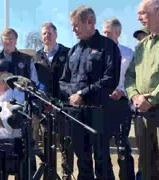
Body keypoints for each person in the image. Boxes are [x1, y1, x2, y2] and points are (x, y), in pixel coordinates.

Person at [60, 6, 121, 179]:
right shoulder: (73, 50)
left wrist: (83, 93)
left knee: (102, 158)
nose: (73, 29)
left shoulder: (107, 46)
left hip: (99, 112)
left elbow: (110, 78)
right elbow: (63, 81)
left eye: (76, 25)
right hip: (77, 114)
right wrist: (74, 95)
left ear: (90, 22)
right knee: (82, 158)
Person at [125, 0, 159, 179]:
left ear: (158, 11)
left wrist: (152, 98)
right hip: (142, 114)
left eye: (143, 13)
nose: (138, 18)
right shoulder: (142, 46)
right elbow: (130, 76)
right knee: (146, 167)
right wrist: (134, 96)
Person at [34, 22, 73, 179]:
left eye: (50, 33)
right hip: (45, 109)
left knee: (66, 145)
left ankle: (66, 176)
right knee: (48, 145)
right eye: (44, 33)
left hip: (64, 107)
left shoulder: (67, 53)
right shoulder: (37, 57)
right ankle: (49, 176)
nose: (47, 36)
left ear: (56, 34)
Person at [102, 18, 135, 180]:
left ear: (118, 33)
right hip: (102, 106)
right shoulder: (98, 54)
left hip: (122, 104)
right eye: (104, 32)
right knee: (102, 147)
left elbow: (133, 78)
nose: (105, 35)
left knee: (122, 147)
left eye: (108, 32)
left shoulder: (129, 54)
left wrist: (122, 91)